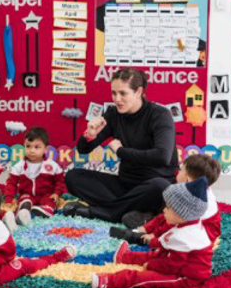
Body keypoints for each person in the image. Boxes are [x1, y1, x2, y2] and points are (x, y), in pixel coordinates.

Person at [64, 67, 178, 223]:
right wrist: (90, 135)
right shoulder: (113, 114)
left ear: (138, 92)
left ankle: (104, 213)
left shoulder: (160, 115)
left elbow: (162, 157)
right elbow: (83, 150)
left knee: (160, 186)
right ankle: (139, 212)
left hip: (153, 185)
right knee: (73, 176)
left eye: (123, 93)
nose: (117, 99)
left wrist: (121, 151)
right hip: (125, 185)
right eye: (114, 93)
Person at [91, 177, 213, 288]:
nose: (164, 210)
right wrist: (154, 245)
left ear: (182, 214)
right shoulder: (186, 223)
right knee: (155, 254)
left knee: (143, 277)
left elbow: (172, 266)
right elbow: (165, 241)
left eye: (168, 208)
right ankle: (125, 256)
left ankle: (108, 281)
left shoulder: (185, 237)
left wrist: (151, 265)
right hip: (179, 260)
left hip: (186, 276)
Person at [110, 154, 222, 246]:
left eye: (180, 170)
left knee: (167, 241)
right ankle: (145, 224)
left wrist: (154, 236)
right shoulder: (191, 192)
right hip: (181, 221)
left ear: (187, 180)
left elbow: (176, 225)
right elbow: (167, 215)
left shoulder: (195, 204)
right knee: (163, 214)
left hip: (196, 235)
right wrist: (144, 228)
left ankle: (139, 238)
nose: (177, 172)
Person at [1, 127, 65, 227]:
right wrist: (9, 199)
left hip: (46, 194)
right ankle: (23, 213)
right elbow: (11, 183)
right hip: (27, 194)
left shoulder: (52, 166)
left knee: (50, 200)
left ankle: (45, 210)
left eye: (36, 147)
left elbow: (60, 181)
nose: (31, 150)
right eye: (28, 146)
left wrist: (56, 193)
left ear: (45, 149)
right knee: (25, 199)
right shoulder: (19, 166)